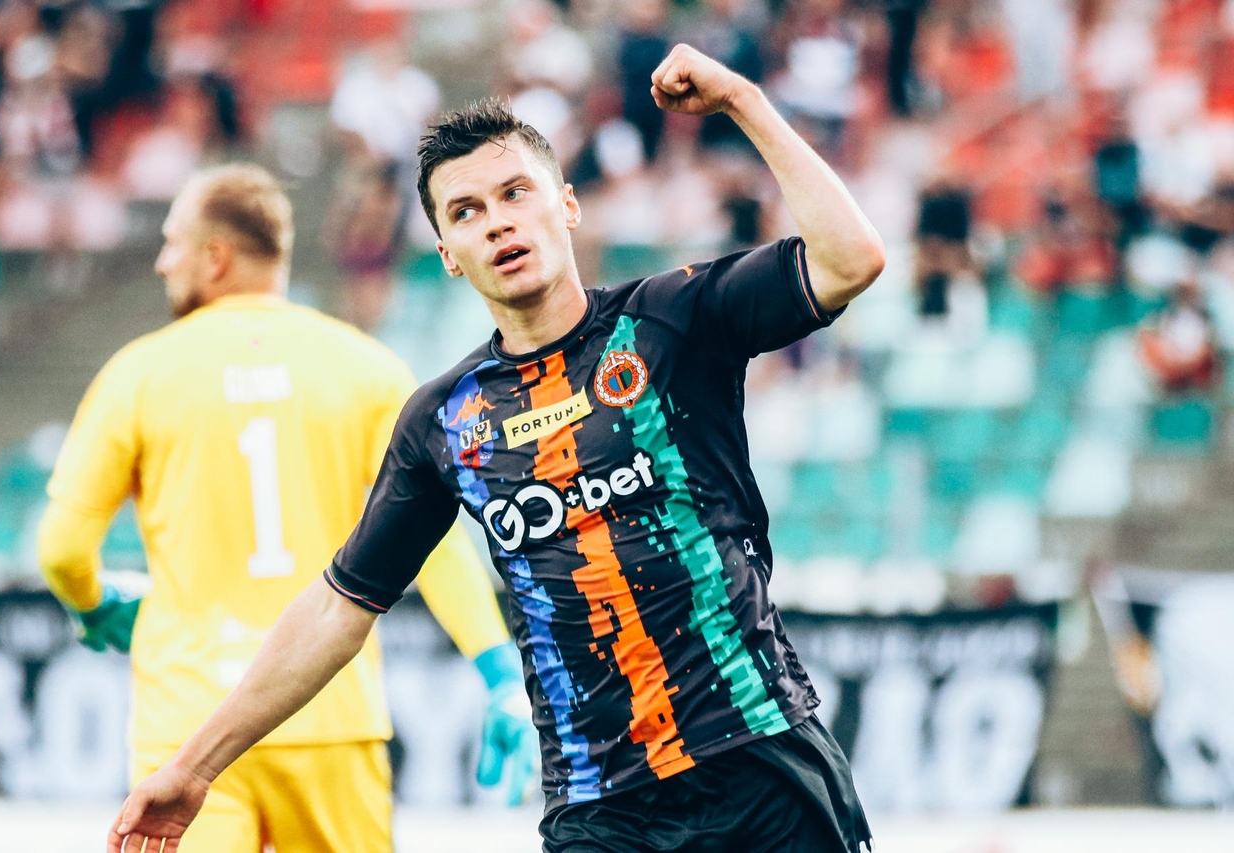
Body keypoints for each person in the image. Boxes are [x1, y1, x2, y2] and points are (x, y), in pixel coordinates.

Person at [109, 44, 885, 853]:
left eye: (516, 192)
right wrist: (193, 767)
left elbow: (851, 258)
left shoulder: (670, 321)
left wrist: (741, 101)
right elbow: (340, 607)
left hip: (761, 766)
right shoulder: (444, 419)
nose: (498, 220)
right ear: (448, 252)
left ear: (567, 205)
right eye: (466, 211)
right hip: (601, 810)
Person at [35, 163, 534, 852]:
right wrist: (497, 668)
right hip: (329, 711)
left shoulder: (139, 374)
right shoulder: (363, 366)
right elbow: (434, 538)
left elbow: (62, 548)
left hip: (190, 726)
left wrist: (92, 606)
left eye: (173, 243)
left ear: (216, 256)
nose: (161, 262)